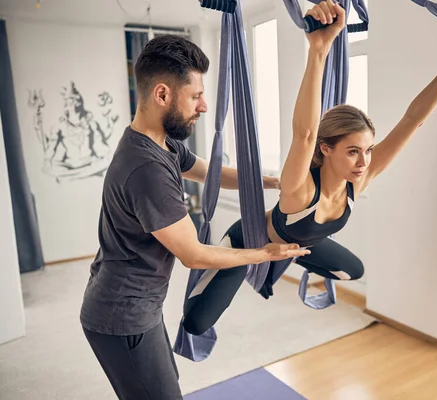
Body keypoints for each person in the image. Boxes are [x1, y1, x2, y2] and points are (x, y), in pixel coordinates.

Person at [182, 0, 437, 338]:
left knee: (352, 272)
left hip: (298, 243)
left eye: (368, 150)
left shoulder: (359, 180)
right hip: (249, 239)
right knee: (196, 324)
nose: (365, 161)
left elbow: (414, 119)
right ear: (326, 149)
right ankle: (255, 256)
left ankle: (292, 255)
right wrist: (319, 50)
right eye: (354, 151)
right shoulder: (298, 187)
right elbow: (305, 132)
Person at [79, 35, 310, 400]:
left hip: (137, 304)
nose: (203, 106)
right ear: (162, 95)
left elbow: (209, 172)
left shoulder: (161, 142)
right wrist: (266, 254)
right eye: (195, 95)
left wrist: (272, 181)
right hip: (122, 315)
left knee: (167, 387)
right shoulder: (147, 168)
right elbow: (194, 255)